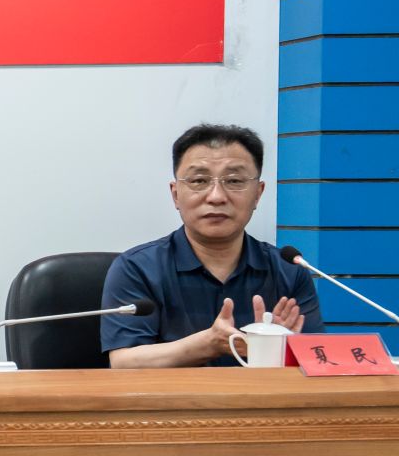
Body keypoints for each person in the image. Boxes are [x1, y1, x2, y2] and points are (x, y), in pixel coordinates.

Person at [102, 123, 321, 367]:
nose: (216, 196)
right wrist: (208, 344)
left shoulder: (289, 270)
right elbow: (124, 362)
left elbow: (315, 360)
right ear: (176, 194)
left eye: (234, 180)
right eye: (199, 180)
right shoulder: (137, 268)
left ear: (258, 194)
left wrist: (277, 350)